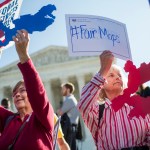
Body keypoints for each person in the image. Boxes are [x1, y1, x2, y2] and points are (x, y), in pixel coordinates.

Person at [77, 50, 150, 150]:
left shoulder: (140, 107)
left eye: (119, 75)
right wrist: (103, 69)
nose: (117, 77)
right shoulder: (98, 113)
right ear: (102, 85)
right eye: (111, 75)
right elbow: (83, 104)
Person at [0, 29, 54, 149]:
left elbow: (37, 92)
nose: (17, 95)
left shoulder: (43, 118)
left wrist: (24, 56)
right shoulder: (8, 120)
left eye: (22, 90)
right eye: (14, 93)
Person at [57, 82, 79, 150]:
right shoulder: (71, 99)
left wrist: (58, 111)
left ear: (68, 90)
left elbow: (59, 113)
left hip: (69, 128)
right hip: (71, 127)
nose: (62, 91)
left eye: (63, 89)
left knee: (68, 147)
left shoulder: (69, 99)